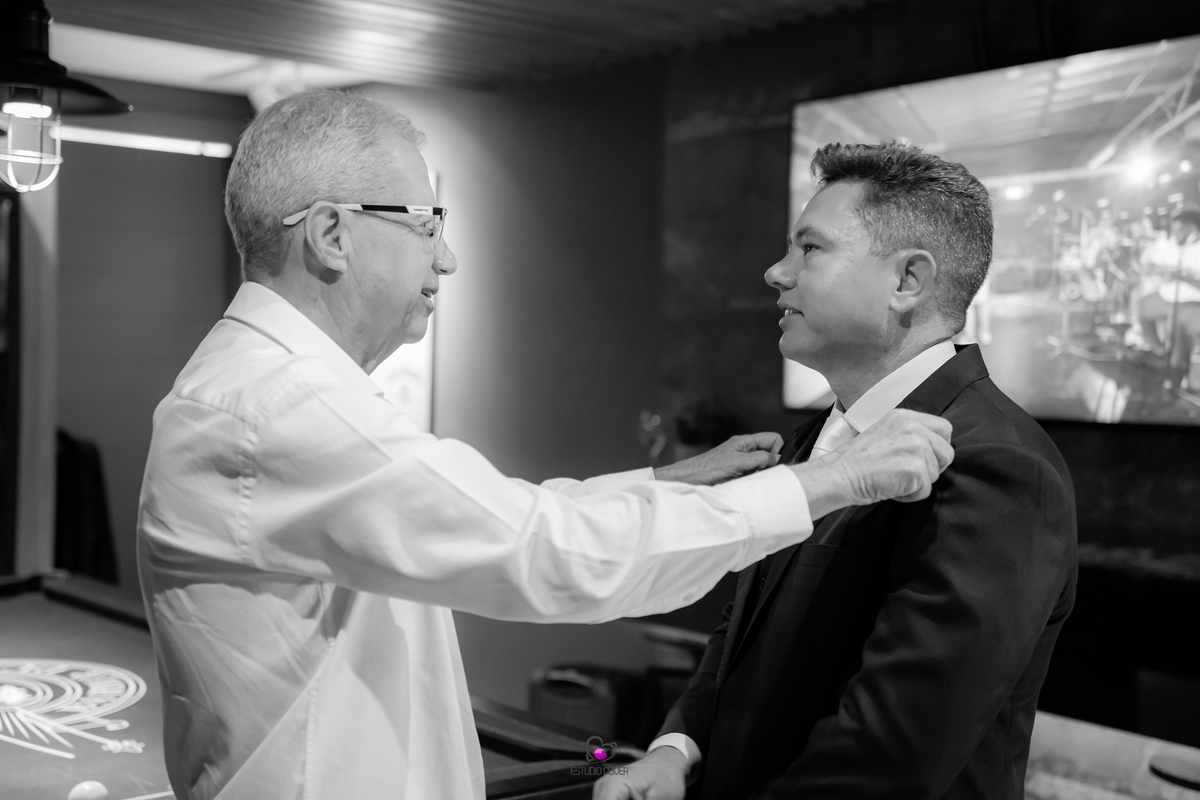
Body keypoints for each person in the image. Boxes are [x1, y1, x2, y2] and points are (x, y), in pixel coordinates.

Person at [136, 92, 955, 800]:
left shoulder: (271, 390)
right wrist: (831, 480)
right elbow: (537, 550)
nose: (447, 257)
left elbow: (491, 516)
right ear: (330, 235)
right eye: (426, 223)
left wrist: (665, 485)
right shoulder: (280, 406)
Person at [596, 142, 1078, 800]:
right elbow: (746, 631)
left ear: (907, 281)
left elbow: (891, 752)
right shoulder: (817, 435)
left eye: (810, 249)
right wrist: (677, 749)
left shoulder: (1000, 467)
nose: (776, 272)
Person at [1135, 207, 1200, 376]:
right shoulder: (1172, 244)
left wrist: (1182, 276)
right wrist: (1155, 269)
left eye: (1179, 229)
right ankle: (1158, 351)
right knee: (1143, 305)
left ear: (1192, 228)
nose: (1174, 233)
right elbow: (1151, 266)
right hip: (1165, 297)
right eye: (1173, 229)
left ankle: (1178, 370)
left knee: (1177, 324)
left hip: (1191, 303)